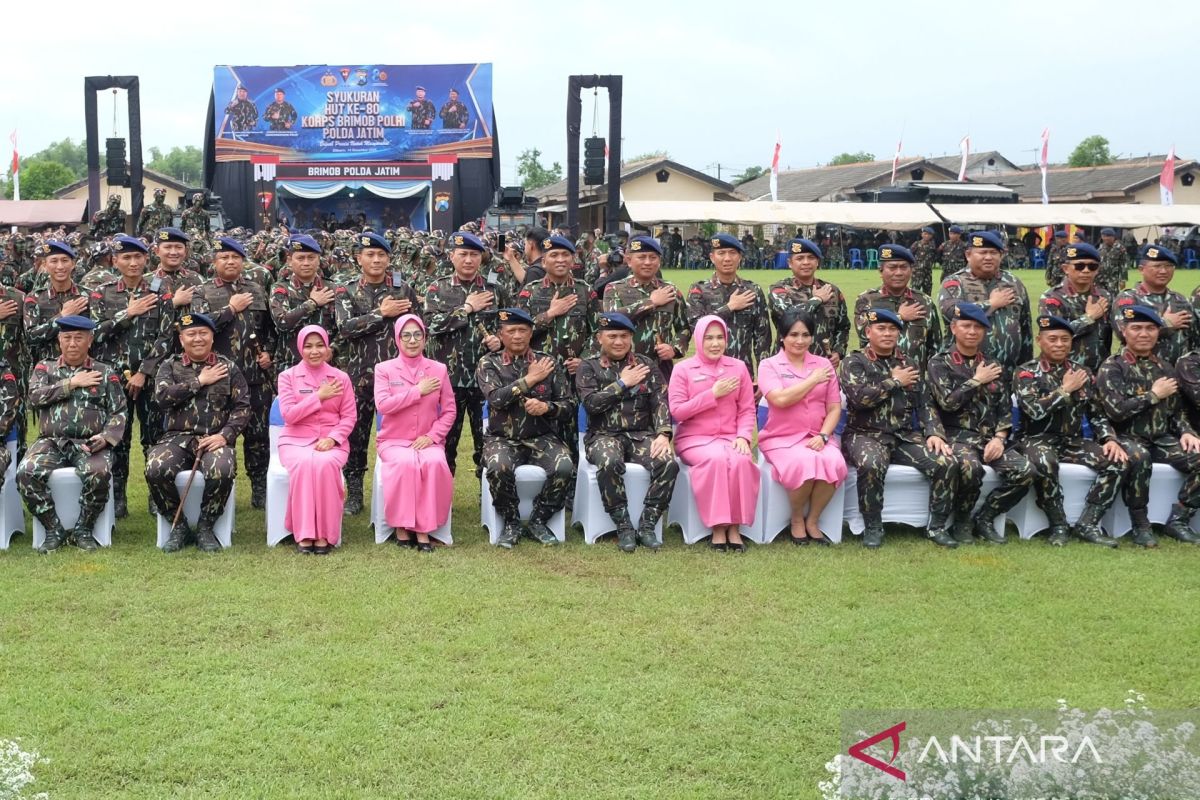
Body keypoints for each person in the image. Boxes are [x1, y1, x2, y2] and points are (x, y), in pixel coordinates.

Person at [841, 308, 960, 549]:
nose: (887, 334)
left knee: (947, 462)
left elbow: (925, 403)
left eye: (893, 329)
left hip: (903, 435)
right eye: (881, 329)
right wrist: (894, 381)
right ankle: (873, 526)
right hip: (865, 434)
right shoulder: (854, 362)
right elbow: (858, 399)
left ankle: (936, 527)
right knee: (871, 464)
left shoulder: (909, 363)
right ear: (868, 332)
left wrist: (934, 432)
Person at [1014, 315, 1127, 547]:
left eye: (1065, 339)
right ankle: (1058, 524)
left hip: (1073, 441)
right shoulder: (1026, 373)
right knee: (1045, 462)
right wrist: (1065, 390)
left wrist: (1108, 438)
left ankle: (1088, 523)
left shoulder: (1082, 372)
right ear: (1039, 340)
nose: (1059, 344)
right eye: (1052, 339)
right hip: (1036, 439)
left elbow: (1096, 413)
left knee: (1118, 461)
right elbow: (1034, 411)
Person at [18, 316, 127, 553]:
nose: (72, 343)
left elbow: (119, 411)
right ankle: (53, 527)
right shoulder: (44, 368)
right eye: (67, 338)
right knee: (26, 472)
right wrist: (72, 383)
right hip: (51, 442)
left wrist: (107, 437)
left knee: (99, 473)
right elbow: (34, 397)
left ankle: (83, 528)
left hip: (89, 442)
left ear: (89, 341)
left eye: (79, 338)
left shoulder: (105, 371)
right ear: (59, 341)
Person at [928, 302, 1034, 544]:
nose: (972, 331)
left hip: (990, 438)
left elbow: (1005, 408)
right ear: (954, 328)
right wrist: (976, 380)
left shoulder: (993, 363)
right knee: (970, 468)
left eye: (978, 327)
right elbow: (947, 403)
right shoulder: (940, 362)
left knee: (1025, 471)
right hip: (957, 436)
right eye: (966, 326)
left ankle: (985, 517)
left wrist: (1000, 438)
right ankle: (962, 521)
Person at [1097, 305, 1200, 548]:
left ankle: (1180, 518)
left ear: (1158, 332)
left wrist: (1187, 431)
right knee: (1139, 456)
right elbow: (1116, 412)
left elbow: (1176, 412)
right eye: (1137, 328)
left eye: (1150, 328)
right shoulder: (1112, 367)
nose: (1144, 334)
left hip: (1161, 438)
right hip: (1125, 437)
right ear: (1124, 331)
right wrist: (1152, 395)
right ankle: (1140, 524)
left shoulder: (1165, 367)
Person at [147, 313, 250, 553]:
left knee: (222, 469)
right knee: (155, 467)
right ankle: (178, 524)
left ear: (212, 337)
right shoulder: (169, 366)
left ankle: (206, 525)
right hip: (177, 438)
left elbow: (242, 408)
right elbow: (162, 399)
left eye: (203, 333)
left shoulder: (228, 367)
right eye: (191, 334)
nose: (197, 339)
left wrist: (225, 435)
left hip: (214, 437)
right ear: (182, 340)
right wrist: (199, 381)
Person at [576, 313, 678, 552]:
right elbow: (591, 404)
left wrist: (663, 434)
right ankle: (622, 524)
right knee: (609, 461)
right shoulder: (588, 366)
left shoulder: (646, 365)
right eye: (612, 336)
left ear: (632, 337)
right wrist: (622, 383)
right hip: (603, 435)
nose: (618, 342)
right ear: (600, 338)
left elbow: (660, 400)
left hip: (641, 434)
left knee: (668, 463)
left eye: (624, 336)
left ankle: (647, 524)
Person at [333, 231, 419, 514]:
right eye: (370, 254)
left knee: (400, 434)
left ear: (389, 259)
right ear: (359, 259)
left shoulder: (402, 290)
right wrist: (380, 313)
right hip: (359, 376)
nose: (376, 259)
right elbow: (345, 328)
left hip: (397, 379)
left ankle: (399, 489)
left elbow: (415, 329)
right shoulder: (345, 290)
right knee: (356, 435)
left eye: (382, 255)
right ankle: (355, 490)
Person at [90, 234, 174, 518]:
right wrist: (128, 312)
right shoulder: (101, 293)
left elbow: (166, 337)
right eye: (126, 257)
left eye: (138, 257)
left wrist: (144, 373)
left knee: (154, 438)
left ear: (146, 259)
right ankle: (118, 498)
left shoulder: (161, 290)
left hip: (150, 380)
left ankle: (155, 495)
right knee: (117, 440)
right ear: (115, 261)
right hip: (113, 380)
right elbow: (95, 334)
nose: (133, 262)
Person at [477, 309, 576, 548]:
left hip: (541, 437)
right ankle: (510, 521)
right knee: (498, 467)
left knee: (564, 466)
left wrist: (547, 407)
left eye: (523, 330)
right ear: (501, 335)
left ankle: (538, 520)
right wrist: (529, 380)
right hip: (503, 438)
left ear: (531, 333)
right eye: (511, 331)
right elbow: (496, 399)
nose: (517, 336)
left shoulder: (548, 362)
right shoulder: (489, 363)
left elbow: (569, 406)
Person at [191, 236, 276, 508]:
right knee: (218, 434)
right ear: (214, 262)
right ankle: (218, 488)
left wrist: (269, 352)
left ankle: (259, 488)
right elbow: (197, 330)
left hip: (254, 376)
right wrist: (230, 309)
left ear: (243, 261)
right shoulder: (202, 292)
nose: (230, 262)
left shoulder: (258, 288)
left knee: (258, 436)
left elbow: (271, 329)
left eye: (235, 258)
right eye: (224, 258)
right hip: (218, 377)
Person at [668, 315, 761, 550]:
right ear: (698, 339)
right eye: (708, 338)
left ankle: (735, 527)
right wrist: (712, 394)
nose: (715, 343)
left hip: (731, 437)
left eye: (720, 337)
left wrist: (743, 436)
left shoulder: (738, 367)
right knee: (717, 460)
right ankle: (719, 528)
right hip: (694, 440)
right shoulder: (683, 369)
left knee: (741, 461)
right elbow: (678, 412)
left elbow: (747, 409)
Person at [756, 308, 846, 545]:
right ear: (782, 337)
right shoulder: (769, 365)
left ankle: (813, 520)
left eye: (805, 335)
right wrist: (813, 380)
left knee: (834, 462)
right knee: (803, 462)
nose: (799, 340)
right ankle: (796, 519)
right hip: (781, 437)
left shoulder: (823, 364)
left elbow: (834, 408)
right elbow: (780, 400)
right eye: (793, 334)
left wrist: (825, 436)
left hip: (818, 435)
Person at [423, 231, 508, 478]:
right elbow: (431, 325)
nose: (469, 260)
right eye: (463, 254)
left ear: (481, 258)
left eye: (474, 254)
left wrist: (500, 340)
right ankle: (441, 496)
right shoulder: (437, 287)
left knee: (488, 439)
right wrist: (467, 308)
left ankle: (488, 496)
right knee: (445, 441)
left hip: (487, 378)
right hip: (448, 379)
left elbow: (512, 328)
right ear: (452, 257)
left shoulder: (495, 289)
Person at [375, 315, 455, 551]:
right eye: (406, 335)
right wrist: (416, 391)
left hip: (427, 440)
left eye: (417, 335)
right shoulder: (384, 369)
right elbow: (383, 405)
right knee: (405, 464)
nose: (412, 340)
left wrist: (432, 436)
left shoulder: (438, 370)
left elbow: (449, 410)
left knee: (435, 463)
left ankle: (423, 529)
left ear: (424, 338)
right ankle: (402, 526)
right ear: (397, 339)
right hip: (393, 440)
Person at [276, 325, 356, 554]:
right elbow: (289, 415)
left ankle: (325, 534)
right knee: (303, 465)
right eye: (308, 346)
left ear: (327, 347)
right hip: (295, 440)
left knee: (324, 464)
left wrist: (333, 438)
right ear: (300, 348)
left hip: (331, 440)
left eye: (320, 345)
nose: (314, 351)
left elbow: (349, 416)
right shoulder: (287, 377)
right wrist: (318, 397)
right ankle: (304, 533)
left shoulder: (340, 378)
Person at [937, 230, 1032, 384]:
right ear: (968, 255)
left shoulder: (1014, 283)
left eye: (994, 252)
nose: (988, 257)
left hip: (1007, 373)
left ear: (1001, 255)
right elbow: (950, 312)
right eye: (982, 252)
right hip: (966, 374)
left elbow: (1025, 328)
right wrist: (991, 304)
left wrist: (1024, 369)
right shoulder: (955, 282)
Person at [601, 235, 689, 381]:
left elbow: (684, 328)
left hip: (660, 368)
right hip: (623, 368)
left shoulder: (671, 290)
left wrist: (674, 348)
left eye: (653, 257)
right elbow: (611, 319)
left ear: (659, 261)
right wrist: (650, 302)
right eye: (641, 257)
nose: (647, 262)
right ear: (629, 261)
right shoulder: (614, 289)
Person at [686, 233, 772, 380]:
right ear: (712, 257)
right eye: (721, 253)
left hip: (743, 374)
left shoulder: (752, 290)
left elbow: (762, 338)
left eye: (732, 253)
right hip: (707, 375)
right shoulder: (699, 290)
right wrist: (729, 307)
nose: (727, 258)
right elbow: (696, 326)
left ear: (740, 257)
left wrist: (764, 377)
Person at [853, 243, 942, 370]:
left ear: (911, 270)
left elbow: (935, 345)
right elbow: (863, 334)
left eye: (904, 267)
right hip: (878, 377)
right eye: (892, 267)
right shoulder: (867, 299)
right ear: (881, 271)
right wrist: (899, 316)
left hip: (915, 379)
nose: (899, 273)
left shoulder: (924, 301)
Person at [767, 238, 850, 367]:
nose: (806, 262)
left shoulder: (831, 291)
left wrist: (838, 352)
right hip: (787, 366)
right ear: (790, 263)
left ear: (817, 262)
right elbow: (789, 315)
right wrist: (817, 300)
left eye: (811, 258)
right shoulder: (780, 289)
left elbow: (843, 326)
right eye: (800, 258)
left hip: (823, 364)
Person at [1038, 242, 1113, 372]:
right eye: (1079, 266)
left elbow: (1107, 336)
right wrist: (1088, 318)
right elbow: (1054, 336)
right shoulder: (1052, 298)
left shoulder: (1104, 296)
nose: (1086, 270)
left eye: (1092, 266)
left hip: (1099, 370)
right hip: (1067, 371)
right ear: (1066, 268)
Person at [1114, 245, 1193, 365]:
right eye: (1157, 266)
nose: (1163, 271)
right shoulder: (1128, 299)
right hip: (1141, 371)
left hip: (1179, 371)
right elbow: (1122, 333)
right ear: (1141, 269)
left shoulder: (1179, 299)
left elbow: (1192, 337)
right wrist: (1166, 323)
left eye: (1168, 266)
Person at [270, 235, 338, 372]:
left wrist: (334, 348)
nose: (306, 263)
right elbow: (282, 322)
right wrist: (312, 303)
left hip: (327, 364)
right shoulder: (281, 289)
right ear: (290, 261)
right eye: (300, 258)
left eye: (311, 258)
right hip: (291, 364)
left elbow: (342, 326)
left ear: (319, 260)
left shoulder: (332, 288)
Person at [23, 240, 91, 373]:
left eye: (65, 260)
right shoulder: (34, 298)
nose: (60, 266)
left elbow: (96, 334)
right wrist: (62, 316)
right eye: (54, 261)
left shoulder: (88, 296)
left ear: (73, 264)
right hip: (47, 372)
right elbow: (30, 337)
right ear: (45, 265)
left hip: (84, 370)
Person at [910, 227, 938, 296]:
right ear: (922, 234)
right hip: (917, 272)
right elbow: (909, 255)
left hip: (927, 272)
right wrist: (911, 267)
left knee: (927, 292)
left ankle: (927, 306)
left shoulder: (932, 246)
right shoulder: (916, 244)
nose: (927, 236)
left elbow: (935, 256)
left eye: (929, 234)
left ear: (931, 236)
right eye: (925, 234)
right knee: (914, 291)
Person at [1097, 227, 1126, 295]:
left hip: (1112, 279)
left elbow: (1124, 264)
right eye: (1104, 236)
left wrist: (1123, 280)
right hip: (1100, 279)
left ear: (1113, 237)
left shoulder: (1120, 249)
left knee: (1112, 297)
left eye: (1108, 236)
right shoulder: (1100, 248)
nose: (1106, 238)